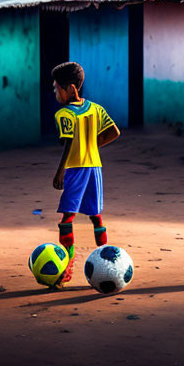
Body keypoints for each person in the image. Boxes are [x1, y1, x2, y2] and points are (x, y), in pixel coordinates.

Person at [51, 61, 120, 285]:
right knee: (96, 216)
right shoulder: (96, 108)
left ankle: (67, 267)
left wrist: (60, 172)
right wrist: (92, 146)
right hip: (95, 168)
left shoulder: (64, 114)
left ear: (71, 89)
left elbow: (69, 144)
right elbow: (114, 132)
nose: (55, 92)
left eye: (56, 88)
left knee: (67, 218)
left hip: (76, 169)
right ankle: (110, 263)